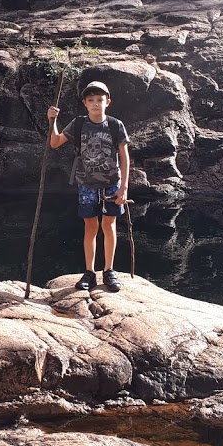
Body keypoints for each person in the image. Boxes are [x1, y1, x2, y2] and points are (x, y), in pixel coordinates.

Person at [47, 80, 130, 292]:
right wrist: (52, 120)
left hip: (112, 184)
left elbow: (124, 156)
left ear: (107, 102)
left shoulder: (114, 125)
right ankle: (89, 272)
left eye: (100, 100)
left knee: (109, 226)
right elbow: (55, 142)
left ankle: (109, 270)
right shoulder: (78, 124)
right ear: (85, 103)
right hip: (86, 185)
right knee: (90, 227)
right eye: (91, 100)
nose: (96, 104)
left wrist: (124, 189)